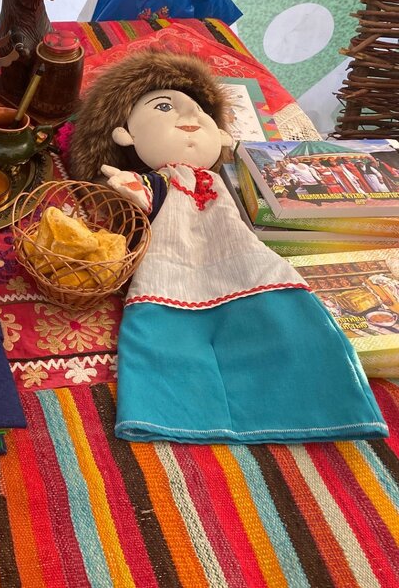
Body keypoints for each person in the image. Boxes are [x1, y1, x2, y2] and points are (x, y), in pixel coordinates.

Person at [67, 50, 386, 444]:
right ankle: (183, 413)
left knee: (282, 326)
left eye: (200, 111)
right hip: (174, 267)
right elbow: (141, 194)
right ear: (125, 134)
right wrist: (126, 186)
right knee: (177, 347)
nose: (189, 117)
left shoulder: (220, 179)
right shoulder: (160, 180)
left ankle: (318, 402)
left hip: (243, 259)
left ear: (220, 136)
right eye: (163, 107)